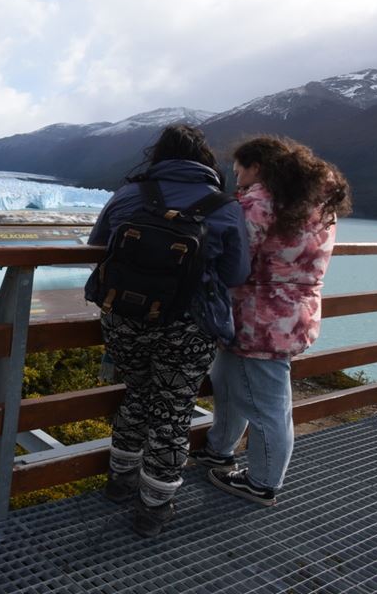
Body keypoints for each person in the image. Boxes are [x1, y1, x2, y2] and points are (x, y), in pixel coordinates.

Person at [87, 124, 250, 537]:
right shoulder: (225, 207)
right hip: (188, 326)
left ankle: (119, 483)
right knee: (173, 411)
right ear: (205, 161)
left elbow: (96, 243)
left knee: (137, 394)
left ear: (158, 155)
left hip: (124, 316)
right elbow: (236, 272)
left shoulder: (129, 194)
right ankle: (153, 508)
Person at [195, 136, 352, 506]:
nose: (239, 182)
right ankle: (219, 450)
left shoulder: (260, 202)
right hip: (291, 314)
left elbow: (233, 254)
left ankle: (263, 481)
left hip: (259, 316)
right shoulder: (317, 204)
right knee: (228, 379)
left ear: (258, 167)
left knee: (268, 405)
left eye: (241, 173)